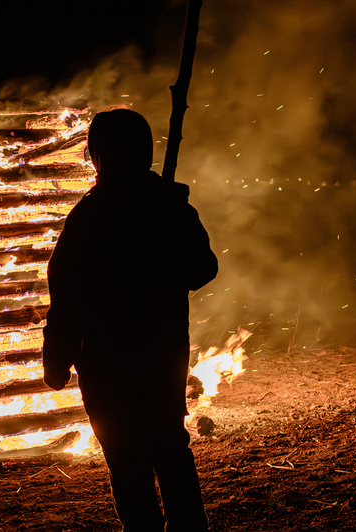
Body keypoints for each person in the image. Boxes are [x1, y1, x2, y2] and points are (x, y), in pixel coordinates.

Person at [42, 107, 218, 531]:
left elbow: (67, 294)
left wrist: (57, 358)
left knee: (128, 461)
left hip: (108, 365)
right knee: (171, 450)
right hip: (163, 353)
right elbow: (203, 269)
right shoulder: (169, 206)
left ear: (99, 155)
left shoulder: (91, 216)